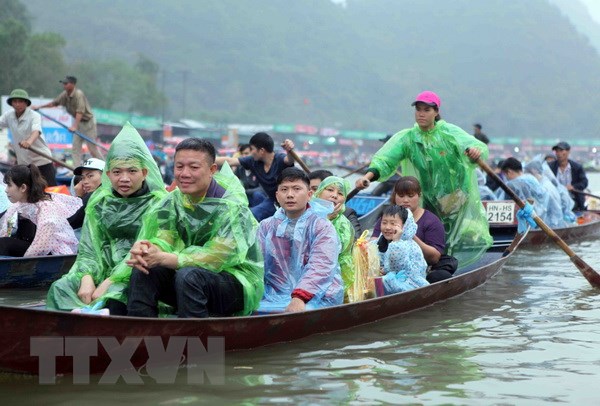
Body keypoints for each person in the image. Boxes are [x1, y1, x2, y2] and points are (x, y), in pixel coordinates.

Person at [126, 138, 264, 318]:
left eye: (194, 167)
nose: (184, 173)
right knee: (144, 269)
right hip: (188, 277)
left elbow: (215, 258)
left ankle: (193, 339)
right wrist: (149, 251)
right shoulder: (171, 202)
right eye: (179, 166)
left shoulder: (232, 207)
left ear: (212, 170)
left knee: (189, 275)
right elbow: (164, 240)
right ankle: (141, 333)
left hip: (234, 282)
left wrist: (165, 258)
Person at [356, 90, 492, 267]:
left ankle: (446, 267)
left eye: (427, 110)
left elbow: (475, 146)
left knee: (449, 236)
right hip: (424, 196)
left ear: (436, 112)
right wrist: (368, 177)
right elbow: (386, 159)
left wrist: (475, 151)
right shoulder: (408, 138)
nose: (421, 114)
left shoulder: (449, 132)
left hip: (455, 196)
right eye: (418, 109)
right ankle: (423, 266)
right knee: (426, 232)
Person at [46, 123, 167, 313]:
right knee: (61, 288)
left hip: (134, 272)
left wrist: (111, 281)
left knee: (116, 296)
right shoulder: (99, 202)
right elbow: (88, 247)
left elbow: (147, 250)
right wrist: (86, 277)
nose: (124, 178)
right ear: (108, 174)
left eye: (132, 171)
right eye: (117, 172)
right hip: (100, 269)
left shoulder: (159, 204)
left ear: (144, 173)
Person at [258, 167, 343, 313]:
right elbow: (256, 263)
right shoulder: (266, 226)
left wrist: (299, 297)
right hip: (274, 293)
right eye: (284, 190)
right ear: (277, 196)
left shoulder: (321, 226)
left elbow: (321, 265)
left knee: (304, 311)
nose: (290, 195)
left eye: (296, 189)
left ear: (309, 194)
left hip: (318, 293)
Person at [373, 176, 457, 282]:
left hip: (420, 270)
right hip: (388, 270)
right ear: (395, 197)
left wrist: (409, 234)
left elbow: (434, 257)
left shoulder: (431, 221)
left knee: (438, 276)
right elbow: (373, 243)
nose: (405, 200)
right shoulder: (386, 219)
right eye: (401, 196)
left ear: (419, 196)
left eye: (410, 196)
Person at [0, 165, 80, 257]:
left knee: (5, 243)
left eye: (9, 185)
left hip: (54, 254)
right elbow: (6, 230)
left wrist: (20, 266)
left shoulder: (46, 208)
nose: (6, 190)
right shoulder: (18, 205)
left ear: (23, 188)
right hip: (32, 246)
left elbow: (41, 246)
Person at [215, 132, 295, 221]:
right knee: (250, 216)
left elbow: (289, 160)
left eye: (252, 149)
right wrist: (206, 159)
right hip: (272, 201)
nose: (251, 152)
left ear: (261, 150)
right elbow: (230, 161)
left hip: (290, 202)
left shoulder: (280, 158)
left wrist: (289, 150)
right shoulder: (253, 161)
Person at [33, 76, 103, 165]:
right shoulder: (64, 94)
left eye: (66, 83)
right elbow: (54, 103)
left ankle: (103, 167)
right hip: (78, 124)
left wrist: (74, 126)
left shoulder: (78, 94)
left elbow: (80, 112)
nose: (64, 85)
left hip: (88, 123)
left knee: (92, 148)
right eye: (63, 83)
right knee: (75, 148)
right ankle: (76, 170)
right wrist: (39, 107)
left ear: (73, 84)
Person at [0, 89, 57, 186]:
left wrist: (29, 142)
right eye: (15, 101)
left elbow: (36, 131)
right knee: (27, 193)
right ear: (11, 103)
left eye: (21, 101)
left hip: (41, 160)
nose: (17, 104)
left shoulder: (34, 116)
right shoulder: (8, 115)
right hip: (24, 164)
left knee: (50, 191)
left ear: (26, 103)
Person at [312, 176, 355, 296]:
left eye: (340, 193)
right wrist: (326, 218)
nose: (334, 195)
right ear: (319, 192)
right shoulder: (305, 213)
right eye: (330, 190)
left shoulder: (344, 223)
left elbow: (335, 251)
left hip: (333, 275)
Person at [499, 157, 566, 228]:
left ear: (509, 172)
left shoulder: (513, 184)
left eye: (505, 174)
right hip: (541, 223)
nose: (506, 178)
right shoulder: (532, 179)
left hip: (523, 226)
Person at [375, 205, 428, 294]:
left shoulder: (408, 245)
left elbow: (397, 267)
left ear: (404, 225)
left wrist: (396, 241)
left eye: (393, 224)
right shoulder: (381, 241)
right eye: (384, 223)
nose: (387, 227)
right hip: (387, 281)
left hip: (409, 284)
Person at [308, 169, 362, 238]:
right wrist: (327, 218)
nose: (311, 193)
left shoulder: (347, 213)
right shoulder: (303, 211)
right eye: (309, 189)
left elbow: (356, 241)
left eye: (315, 189)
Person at [548, 141, 589, 211]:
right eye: (557, 151)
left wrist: (573, 187)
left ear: (568, 151)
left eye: (561, 151)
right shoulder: (550, 167)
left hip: (574, 200)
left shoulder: (577, 167)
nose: (559, 154)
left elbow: (584, 182)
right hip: (555, 201)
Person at [67, 158, 106, 229]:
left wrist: (79, 197)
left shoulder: (95, 195)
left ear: (105, 175)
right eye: (82, 178)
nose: (85, 182)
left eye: (90, 176)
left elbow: (71, 222)